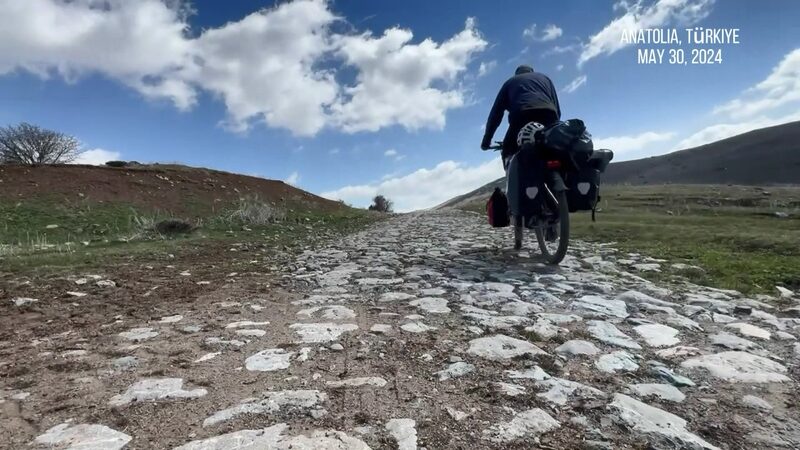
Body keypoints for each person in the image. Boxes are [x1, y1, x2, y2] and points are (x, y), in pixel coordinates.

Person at [481, 65, 561, 163]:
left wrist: (486, 140)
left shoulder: (509, 82)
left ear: (516, 74)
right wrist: (555, 126)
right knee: (556, 147)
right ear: (532, 72)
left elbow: (496, 114)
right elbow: (556, 107)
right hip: (549, 114)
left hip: (521, 117)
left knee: (508, 152)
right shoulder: (545, 79)